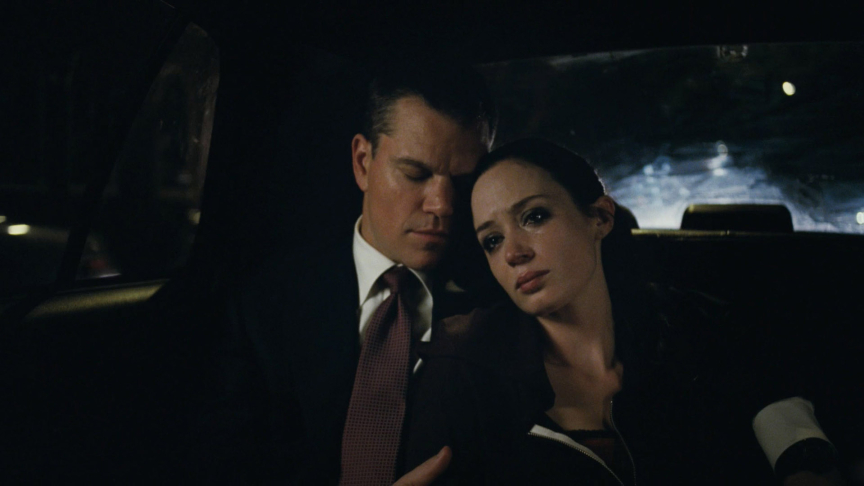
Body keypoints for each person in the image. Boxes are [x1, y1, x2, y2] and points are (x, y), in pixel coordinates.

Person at [403, 138, 844, 485]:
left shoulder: (692, 325)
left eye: (534, 217)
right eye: (492, 240)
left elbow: (775, 395)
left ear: (600, 217)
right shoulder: (459, 365)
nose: (513, 253)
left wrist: (803, 463)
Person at [194, 60, 497, 485]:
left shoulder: (500, 302)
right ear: (362, 162)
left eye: (463, 184)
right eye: (415, 173)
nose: (442, 205)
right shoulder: (266, 300)